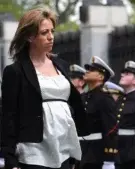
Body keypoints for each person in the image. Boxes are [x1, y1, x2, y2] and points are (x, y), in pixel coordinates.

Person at [1, 6, 88, 169]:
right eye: (44, 33)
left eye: (52, 31)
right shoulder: (15, 71)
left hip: (63, 147)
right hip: (33, 151)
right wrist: (10, 158)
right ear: (29, 37)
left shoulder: (61, 65)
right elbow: (8, 117)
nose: (50, 37)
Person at [80, 56, 118, 169]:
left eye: (91, 70)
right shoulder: (82, 97)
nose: (87, 71)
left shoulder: (104, 98)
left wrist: (109, 158)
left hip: (96, 152)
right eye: (87, 69)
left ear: (100, 77)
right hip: (81, 150)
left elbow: (111, 129)